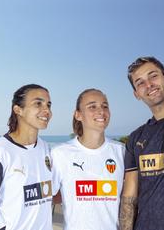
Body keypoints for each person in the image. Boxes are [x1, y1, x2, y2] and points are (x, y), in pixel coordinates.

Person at [0, 84, 53, 230]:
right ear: (18, 109)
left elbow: (50, 193)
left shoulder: (46, 149)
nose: (46, 110)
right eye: (38, 103)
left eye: (48, 105)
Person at [51, 89, 125, 230]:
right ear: (78, 115)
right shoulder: (59, 154)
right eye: (92, 106)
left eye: (105, 106)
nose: (101, 111)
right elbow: (47, 197)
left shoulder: (122, 151)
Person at [120, 57, 164, 230]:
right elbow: (129, 198)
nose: (149, 84)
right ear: (137, 94)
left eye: (153, 76)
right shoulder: (136, 138)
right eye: (140, 83)